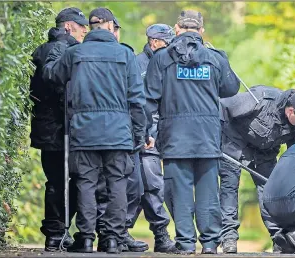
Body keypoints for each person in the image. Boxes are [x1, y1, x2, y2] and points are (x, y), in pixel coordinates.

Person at [42, 7, 147, 254]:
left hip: (84, 131)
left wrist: (58, 43)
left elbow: (51, 75)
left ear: (89, 27)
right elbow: (136, 99)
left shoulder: (74, 53)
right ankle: (112, 239)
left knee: (86, 183)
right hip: (119, 133)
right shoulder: (125, 55)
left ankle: (86, 238)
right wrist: (139, 133)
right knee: (117, 184)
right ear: (111, 27)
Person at [144, 10, 240, 254]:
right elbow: (230, 89)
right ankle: (209, 245)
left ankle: (186, 244)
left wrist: (146, 131)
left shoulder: (161, 58)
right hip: (207, 136)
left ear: (176, 29)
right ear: (201, 31)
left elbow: (149, 98)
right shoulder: (215, 57)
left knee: (181, 192)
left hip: (175, 136)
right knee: (209, 192)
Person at [219, 85, 295, 253]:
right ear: (291, 111)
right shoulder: (259, 99)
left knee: (272, 190)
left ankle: (281, 238)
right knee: (229, 187)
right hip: (234, 144)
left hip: (265, 153)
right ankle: (228, 238)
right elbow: (222, 106)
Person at [29, 7, 88, 251]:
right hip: (69, 127)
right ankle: (61, 230)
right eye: (81, 27)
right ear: (68, 27)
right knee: (77, 180)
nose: (85, 31)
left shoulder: (39, 51)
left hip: (46, 128)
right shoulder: (73, 51)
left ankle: (54, 233)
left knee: (55, 181)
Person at [94, 16, 149, 253]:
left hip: (119, 133)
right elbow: (136, 99)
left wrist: (140, 133)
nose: (115, 32)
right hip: (113, 132)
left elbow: (137, 99)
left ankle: (115, 233)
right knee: (105, 185)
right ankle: (109, 235)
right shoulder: (121, 56)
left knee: (131, 186)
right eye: (114, 28)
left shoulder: (125, 55)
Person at [125, 23, 177, 253]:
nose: (172, 46)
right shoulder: (138, 65)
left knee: (144, 186)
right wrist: (146, 133)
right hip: (145, 136)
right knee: (150, 183)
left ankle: (120, 232)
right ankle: (160, 234)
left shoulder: (167, 63)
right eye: (168, 42)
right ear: (154, 42)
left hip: (160, 134)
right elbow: (139, 104)